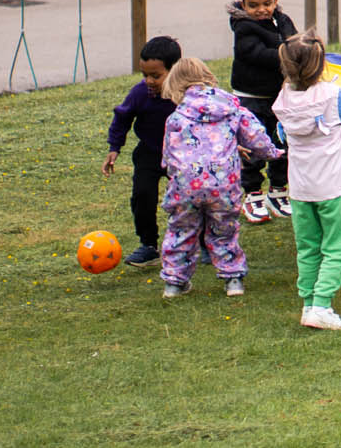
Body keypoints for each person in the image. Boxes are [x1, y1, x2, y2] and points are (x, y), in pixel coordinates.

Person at [274, 35, 341, 332]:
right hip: (332, 186)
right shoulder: (332, 94)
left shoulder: (282, 99)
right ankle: (322, 304)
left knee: (307, 247)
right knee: (335, 247)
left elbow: (282, 134)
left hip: (301, 189)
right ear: (320, 66)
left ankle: (308, 303)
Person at [157, 57, 280, 299]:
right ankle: (233, 280)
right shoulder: (232, 108)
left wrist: (173, 174)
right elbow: (256, 136)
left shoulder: (176, 117)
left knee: (181, 230)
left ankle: (174, 283)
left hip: (186, 186)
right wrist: (273, 153)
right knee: (224, 230)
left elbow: (168, 156)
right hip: (223, 184)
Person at [101, 35, 183, 268]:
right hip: (149, 153)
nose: (148, 80)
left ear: (175, 70)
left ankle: (203, 241)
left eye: (155, 76)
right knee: (142, 196)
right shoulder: (140, 93)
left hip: (182, 155)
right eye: (144, 75)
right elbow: (122, 117)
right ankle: (148, 245)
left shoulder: (187, 94)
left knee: (190, 199)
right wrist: (114, 148)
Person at [227, 0, 295, 224]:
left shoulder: (283, 20)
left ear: (275, 0)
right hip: (251, 98)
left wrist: (292, 49)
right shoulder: (242, 27)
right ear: (243, 5)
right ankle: (252, 194)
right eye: (253, 5)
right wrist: (285, 53)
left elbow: (294, 42)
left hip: (279, 96)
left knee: (282, 143)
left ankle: (279, 190)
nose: (261, 10)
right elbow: (255, 53)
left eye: (267, 3)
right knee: (253, 146)